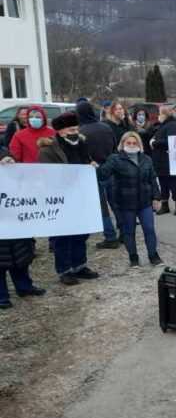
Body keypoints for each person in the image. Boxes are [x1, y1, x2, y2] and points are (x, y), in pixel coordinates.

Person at [37, 112, 100, 285]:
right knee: (63, 236)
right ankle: (64, 270)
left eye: (76, 129)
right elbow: (47, 175)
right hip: (61, 198)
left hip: (81, 195)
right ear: (60, 131)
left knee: (81, 233)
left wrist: (91, 165)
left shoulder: (82, 144)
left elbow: (86, 161)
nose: (75, 132)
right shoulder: (48, 149)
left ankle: (80, 266)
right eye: (71, 129)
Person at [97, 132, 163, 268]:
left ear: (139, 144)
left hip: (145, 201)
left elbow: (152, 179)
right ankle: (133, 257)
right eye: (128, 143)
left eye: (134, 143)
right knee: (129, 231)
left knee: (149, 229)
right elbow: (103, 174)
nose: (132, 145)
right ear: (123, 144)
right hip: (125, 202)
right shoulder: (115, 159)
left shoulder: (146, 159)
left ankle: (153, 255)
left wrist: (156, 197)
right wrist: (96, 167)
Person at [0, 150, 46, 309]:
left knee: (20, 259)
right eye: (4, 161)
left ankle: (24, 287)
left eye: (10, 160)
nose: (9, 163)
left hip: (18, 224)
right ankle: (2, 296)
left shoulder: (21, 178)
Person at [76, 100, 121, 249]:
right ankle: (125, 232)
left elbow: (81, 155)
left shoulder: (81, 132)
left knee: (101, 207)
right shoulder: (106, 127)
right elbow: (115, 148)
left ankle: (110, 236)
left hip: (92, 171)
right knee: (115, 203)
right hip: (110, 168)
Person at [150, 105, 176, 216]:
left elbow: (171, 141)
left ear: (165, 114)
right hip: (161, 160)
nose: (158, 116)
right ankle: (165, 205)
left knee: (173, 183)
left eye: (160, 113)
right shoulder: (164, 125)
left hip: (169, 160)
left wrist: (155, 143)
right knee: (163, 183)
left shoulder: (172, 126)